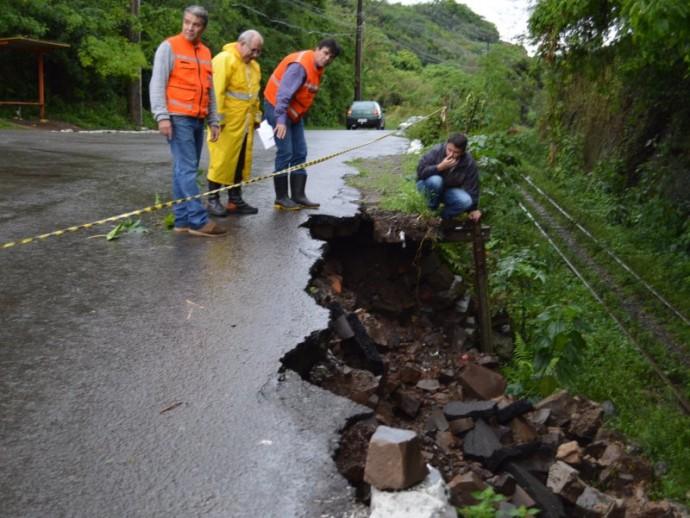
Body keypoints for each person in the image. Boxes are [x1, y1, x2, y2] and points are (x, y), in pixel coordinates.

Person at [149, 5, 226, 237]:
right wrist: (161, 116)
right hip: (177, 117)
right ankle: (198, 220)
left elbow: (209, 89)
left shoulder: (205, 52)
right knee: (188, 170)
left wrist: (213, 119)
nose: (190, 28)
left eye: (196, 24)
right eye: (187, 22)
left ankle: (182, 220)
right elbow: (157, 83)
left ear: (203, 28)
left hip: (198, 119)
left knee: (182, 170)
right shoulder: (169, 47)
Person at [263, 39, 341, 210]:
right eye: (325, 53)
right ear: (317, 49)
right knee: (286, 152)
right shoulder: (300, 66)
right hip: (277, 109)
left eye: (331, 57)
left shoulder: (317, 68)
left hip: (294, 115)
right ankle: (281, 198)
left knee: (300, 152)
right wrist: (281, 121)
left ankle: (298, 196)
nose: (327, 58)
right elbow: (283, 94)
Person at [205, 30, 263, 217]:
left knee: (239, 162)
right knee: (220, 161)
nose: (255, 55)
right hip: (226, 124)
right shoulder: (224, 60)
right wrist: (216, 121)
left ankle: (235, 200)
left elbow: (254, 97)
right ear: (242, 43)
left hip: (245, 124)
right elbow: (216, 92)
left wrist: (256, 118)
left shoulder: (254, 67)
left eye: (258, 52)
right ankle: (213, 200)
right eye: (253, 50)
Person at [416, 133, 482, 225]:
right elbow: (420, 172)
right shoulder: (436, 151)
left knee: (466, 201)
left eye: (456, 152)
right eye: (449, 150)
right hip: (427, 186)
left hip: (447, 190)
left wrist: (473, 209)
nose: (451, 154)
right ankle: (430, 211)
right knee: (436, 180)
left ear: (462, 152)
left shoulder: (468, 162)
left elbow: (472, 186)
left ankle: (442, 218)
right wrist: (439, 167)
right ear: (446, 145)